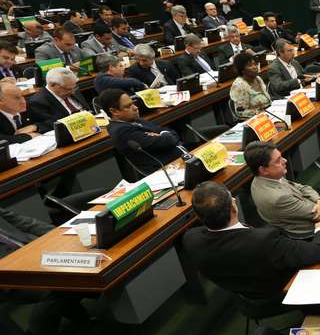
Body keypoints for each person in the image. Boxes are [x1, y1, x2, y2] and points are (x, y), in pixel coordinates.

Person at [182, 181, 320, 301]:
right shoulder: (264, 241)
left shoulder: (191, 239)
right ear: (233, 206)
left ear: (198, 215)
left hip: (245, 298)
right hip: (283, 291)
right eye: (231, 198)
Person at [0, 206, 92, 335]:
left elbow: (23, 222)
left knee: (87, 260)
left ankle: (84, 320)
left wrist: (60, 235)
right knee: (54, 288)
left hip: (33, 252)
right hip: (8, 278)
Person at [246, 141, 320, 239]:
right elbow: (318, 213)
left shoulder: (264, 177)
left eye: (281, 156)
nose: (285, 160)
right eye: (278, 160)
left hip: (311, 214)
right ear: (263, 170)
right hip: (312, 230)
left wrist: (319, 200)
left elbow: (302, 187)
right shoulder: (278, 198)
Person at [100, 88, 183, 174]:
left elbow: (172, 133)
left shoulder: (133, 119)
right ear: (114, 111)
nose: (136, 108)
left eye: (132, 103)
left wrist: (163, 134)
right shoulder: (121, 131)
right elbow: (168, 141)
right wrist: (165, 135)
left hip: (179, 155)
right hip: (168, 169)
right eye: (128, 106)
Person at [27, 67, 90, 132]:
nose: (72, 92)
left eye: (74, 88)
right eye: (67, 89)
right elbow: (50, 126)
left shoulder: (71, 87)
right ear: (52, 85)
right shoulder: (38, 102)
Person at [229, 52, 271, 119]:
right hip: (254, 119)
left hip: (269, 113)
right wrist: (260, 113)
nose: (255, 67)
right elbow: (240, 112)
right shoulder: (239, 85)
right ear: (242, 70)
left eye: (255, 64)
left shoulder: (257, 78)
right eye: (250, 65)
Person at [0, 79, 40, 143]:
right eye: (17, 98)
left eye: (22, 96)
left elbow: (52, 119)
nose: (23, 101)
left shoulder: (27, 105)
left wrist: (35, 126)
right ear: (1, 101)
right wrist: (27, 137)